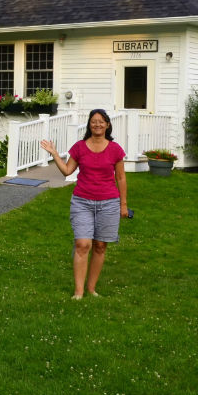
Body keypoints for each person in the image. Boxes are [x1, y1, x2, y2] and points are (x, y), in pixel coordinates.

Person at [39, 108, 130, 299]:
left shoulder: (115, 149)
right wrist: (55, 154)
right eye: (93, 121)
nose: (97, 124)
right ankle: (78, 292)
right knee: (82, 244)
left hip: (109, 203)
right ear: (89, 125)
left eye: (101, 121)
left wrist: (123, 205)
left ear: (107, 124)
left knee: (100, 246)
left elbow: (121, 178)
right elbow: (67, 171)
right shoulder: (79, 147)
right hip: (82, 202)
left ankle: (91, 289)